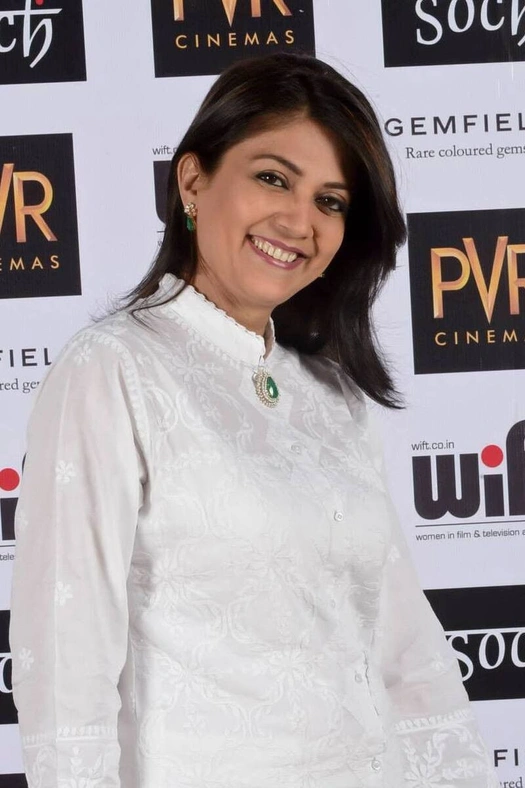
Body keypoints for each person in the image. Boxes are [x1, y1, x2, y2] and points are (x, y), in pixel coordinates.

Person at [10, 53, 497, 788]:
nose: (299, 221)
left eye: (331, 201)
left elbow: (404, 648)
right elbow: (65, 662)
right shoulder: (112, 370)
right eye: (273, 178)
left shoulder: (331, 391)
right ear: (192, 181)